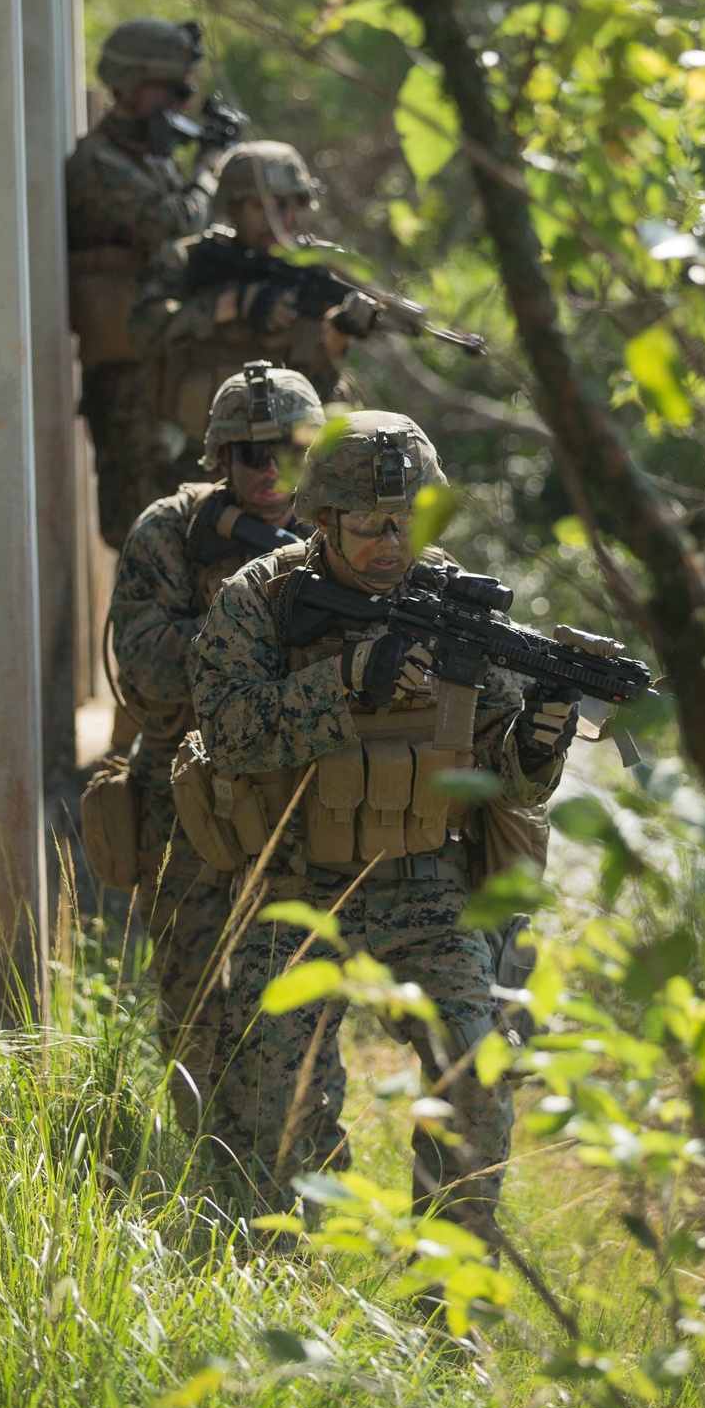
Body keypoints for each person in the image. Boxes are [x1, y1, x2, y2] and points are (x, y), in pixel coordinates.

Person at [191, 413, 580, 1241]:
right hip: (295, 884)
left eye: (408, 522)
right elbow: (226, 733)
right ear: (323, 520)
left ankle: (448, 1306)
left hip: (425, 880)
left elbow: (501, 774)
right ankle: (287, 1287)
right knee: (273, 1107)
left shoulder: (457, 608)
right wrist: (345, 682)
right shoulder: (260, 599)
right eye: (370, 526)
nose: (391, 542)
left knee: (476, 1073)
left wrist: (538, 746)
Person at [109, 362, 327, 1132]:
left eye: (290, 451)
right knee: (192, 992)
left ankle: (290, 1165)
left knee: (297, 1001)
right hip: (185, 793)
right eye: (250, 455)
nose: (271, 471)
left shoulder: (344, 533)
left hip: (297, 801)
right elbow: (146, 663)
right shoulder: (170, 530)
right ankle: (199, 1160)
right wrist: (259, 629)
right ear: (220, 461)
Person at [130, 140, 386, 478]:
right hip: (188, 461)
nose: (278, 220)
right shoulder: (188, 261)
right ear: (233, 208)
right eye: (262, 206)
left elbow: (320, 390)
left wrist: (337, 336)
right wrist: (234, 303)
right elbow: (143, 332)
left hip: (277, 472)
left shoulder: (315, 278)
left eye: (287, 206)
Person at [67, 17, 226, 549]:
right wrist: (208, 166)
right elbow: (176, 223)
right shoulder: (100, 164)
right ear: (132, 85)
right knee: (139, 522)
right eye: (173, 91)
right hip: (125, 372)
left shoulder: (149, 162)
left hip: (161, 360)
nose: (181, 104)